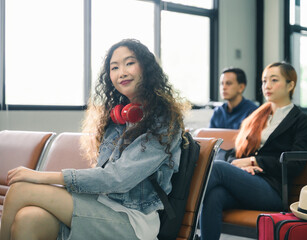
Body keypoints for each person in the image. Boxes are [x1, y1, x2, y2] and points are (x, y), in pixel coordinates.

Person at [0, 39, 189, 240]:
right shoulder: (118, 119)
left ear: (146, 68)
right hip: (103, 206)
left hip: (134, 220)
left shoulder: (164, 122)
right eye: (114, 67)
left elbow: (117, 178)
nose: (122, 72)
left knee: (21, 189)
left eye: (129, 63)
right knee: (29, 219)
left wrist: (41, 176)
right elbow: (103, 172)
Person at [200, 62, 307, 240]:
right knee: (215, 196)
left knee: (216, 167)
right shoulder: (257, 116)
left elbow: (296, 163)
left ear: (290, 85)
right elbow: (237, 150)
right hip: (248, 181)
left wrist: (255, 162)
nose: (267, 86)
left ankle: (175, 220)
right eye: (263, 81)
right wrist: (239, 166)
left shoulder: (302, 121)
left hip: (273, 189)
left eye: (274, 80)